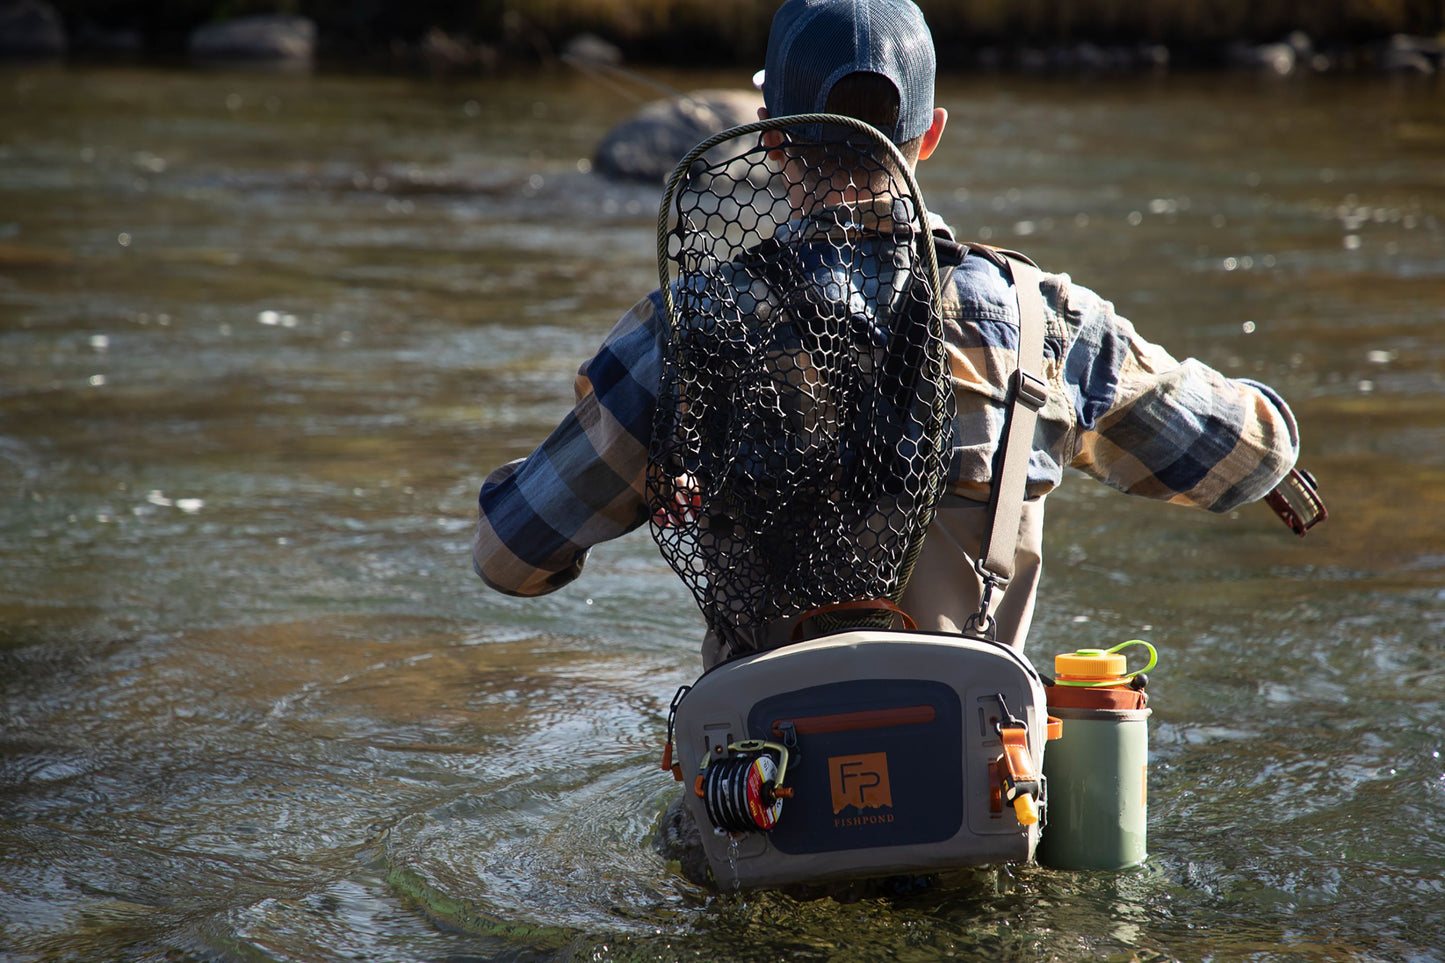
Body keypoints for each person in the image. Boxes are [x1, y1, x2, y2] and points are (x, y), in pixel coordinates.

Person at [472, 0, 1301, 671]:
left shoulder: (685, 330)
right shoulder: (1043, 319)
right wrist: (1265, 414)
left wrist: (648, 472)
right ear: (930, 135)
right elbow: (1247, 460)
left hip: (764, 795)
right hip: (974, 792)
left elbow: (510, 556)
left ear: (766, 133)